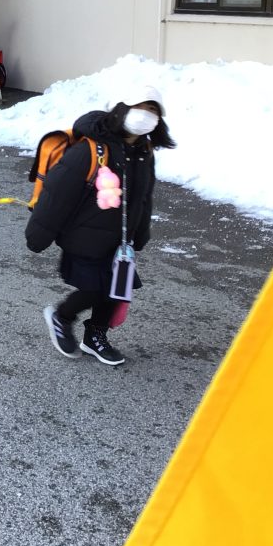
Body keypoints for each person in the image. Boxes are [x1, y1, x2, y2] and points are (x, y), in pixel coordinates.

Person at [26, 85, 176, 366]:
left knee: (118, 290)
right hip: (85, 236)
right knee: (95, 289)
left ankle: (95, 336)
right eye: (139, 107)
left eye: (152, 110)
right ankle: (62, 316)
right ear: (121, 109)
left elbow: (144, 196)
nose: (145, 115)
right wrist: (39, 234)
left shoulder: (144, 152)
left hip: (120, 240)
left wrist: (141, 232)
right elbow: (58, 193)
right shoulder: (91, 149)